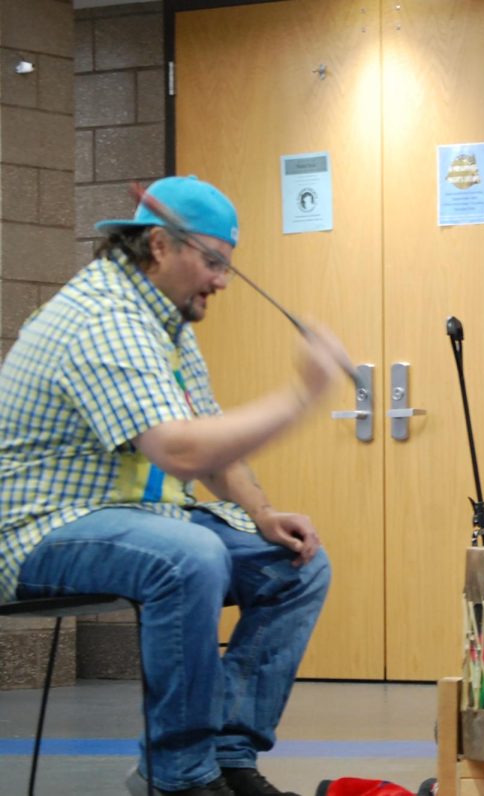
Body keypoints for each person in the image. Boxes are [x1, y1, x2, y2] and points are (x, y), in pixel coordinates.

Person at [0, 176, 350, 796]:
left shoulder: (167, 324)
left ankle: (228, 758)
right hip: (40, 529)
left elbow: (210, 437)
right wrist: (301, 395)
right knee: (190, 556)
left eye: (228, 266)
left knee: (296, 565)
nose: (222, 280)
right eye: (213, 261)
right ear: (159, 246)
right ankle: (179, 779)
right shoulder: (103, 316)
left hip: (136, 521)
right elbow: (179, 450)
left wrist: (263, 513)